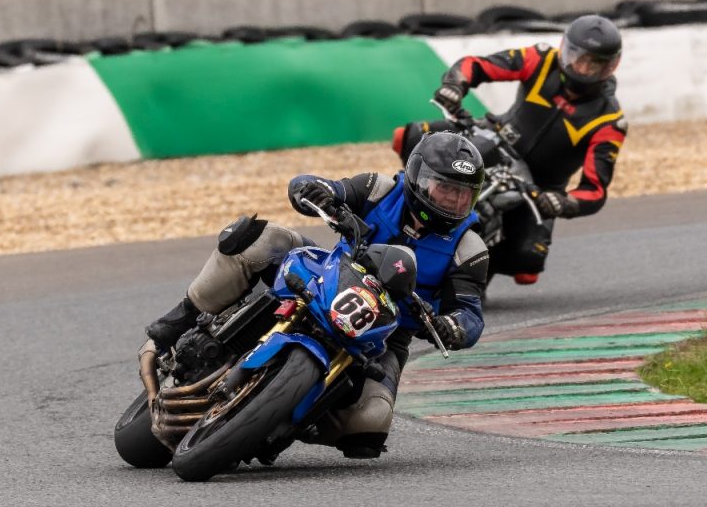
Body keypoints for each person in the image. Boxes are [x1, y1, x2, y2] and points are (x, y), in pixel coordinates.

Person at [145, 132, 489, 460]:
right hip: (327, 275)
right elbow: (317, 185)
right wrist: (317, 192)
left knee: (370, 424)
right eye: (446, 189)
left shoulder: (468, 247)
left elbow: (470, 313)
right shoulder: (380, 189)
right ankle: (181, 318)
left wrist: (452, 327)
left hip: (386, 335)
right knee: (261, 239)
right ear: (418, 179)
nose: (454, 201)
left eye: (463, 194)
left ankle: (285, 419)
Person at [392, 14, 627, 285]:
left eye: (593, 64)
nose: (582, 68)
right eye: (577, 57)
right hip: (495, 139)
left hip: (537, 187)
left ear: (610, 66)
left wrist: (563, 203)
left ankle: (472, 275)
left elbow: (595, 190)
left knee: (527, 262)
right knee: (406, 136)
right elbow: (476, 65)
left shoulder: (610, 120)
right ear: (564, 48)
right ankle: (396, 201)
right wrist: (454, 84)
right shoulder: (541, 59)